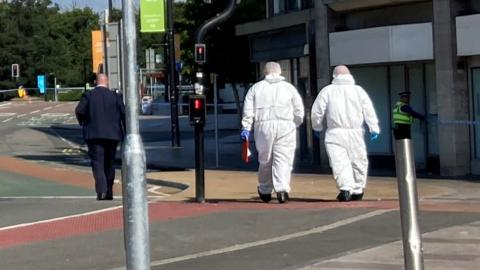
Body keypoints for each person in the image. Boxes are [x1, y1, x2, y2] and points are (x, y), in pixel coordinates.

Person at [311, 65, 380, 202]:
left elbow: (317, 111)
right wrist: (374, 128)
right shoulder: (358, 91)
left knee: (339, 162)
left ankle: (345, 188)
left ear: (334, 76)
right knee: (358, 160)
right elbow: (368, 110)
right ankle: (358, 189)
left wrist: (317, 127)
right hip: (355, 132)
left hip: (334, 132)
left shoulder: (327, 91)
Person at [241, 62, 304, 203]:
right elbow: (299, 110)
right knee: (284, 158)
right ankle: (282, 190)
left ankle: (265, 190)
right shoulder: (289, 88)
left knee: (265, 159)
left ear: (265, 72)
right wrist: (294, 123)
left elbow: (248, 111)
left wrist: (246, 128)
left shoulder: (255, 88)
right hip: (285, 125)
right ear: (280, 72)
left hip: (263, 126)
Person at [75, 74, 126, 201]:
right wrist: (126, 133)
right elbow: (124, 114)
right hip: (113, 135)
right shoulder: (115, 96)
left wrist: (84, 122)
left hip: (94, 135)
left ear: (95, 82)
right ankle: (109, 191)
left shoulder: (89, 96)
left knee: (98, 164)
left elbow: (79, 111)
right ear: (107, 82)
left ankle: (101, 191)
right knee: (110, 163)